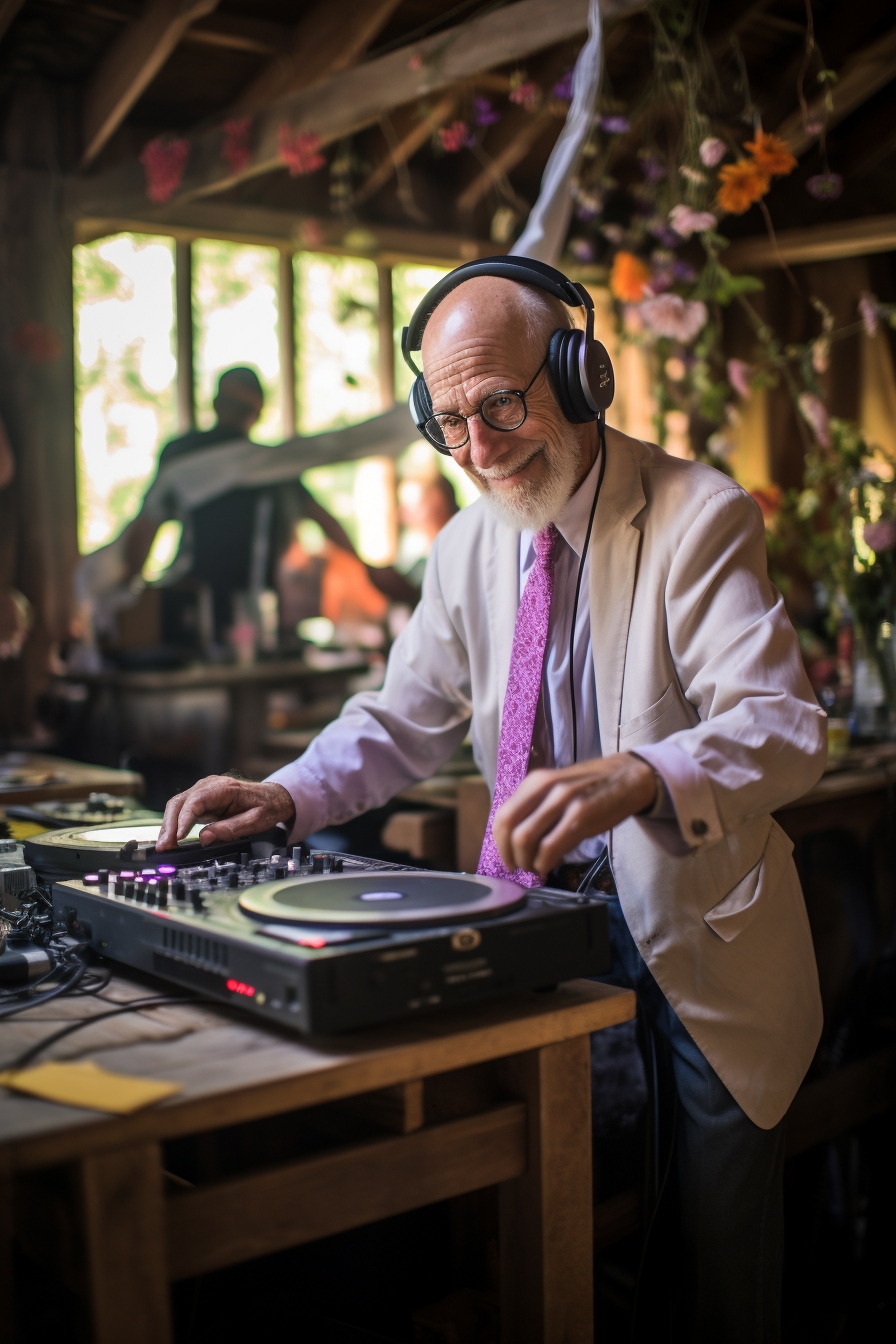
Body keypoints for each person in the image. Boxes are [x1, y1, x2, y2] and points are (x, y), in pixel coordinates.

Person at [157, 259, 825, 1341]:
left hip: (700, 937)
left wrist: (646, 773)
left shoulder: (697, 513)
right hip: (532, 923)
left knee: (714, 1255)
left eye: (502, 405)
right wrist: (281, 797)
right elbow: (396, 719)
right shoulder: (466, 545)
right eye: (449, 421)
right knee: (505, 1204)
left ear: (579, 373)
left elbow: (787, 731)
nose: (477, 450)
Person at [125, 366, 414, 643]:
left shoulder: (267, 466)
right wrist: (132, 591)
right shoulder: (198, 459)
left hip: (252, 606)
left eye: (243, 409)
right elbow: (147, 525)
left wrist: (369, 570)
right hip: (200, 602)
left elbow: (321, 519)